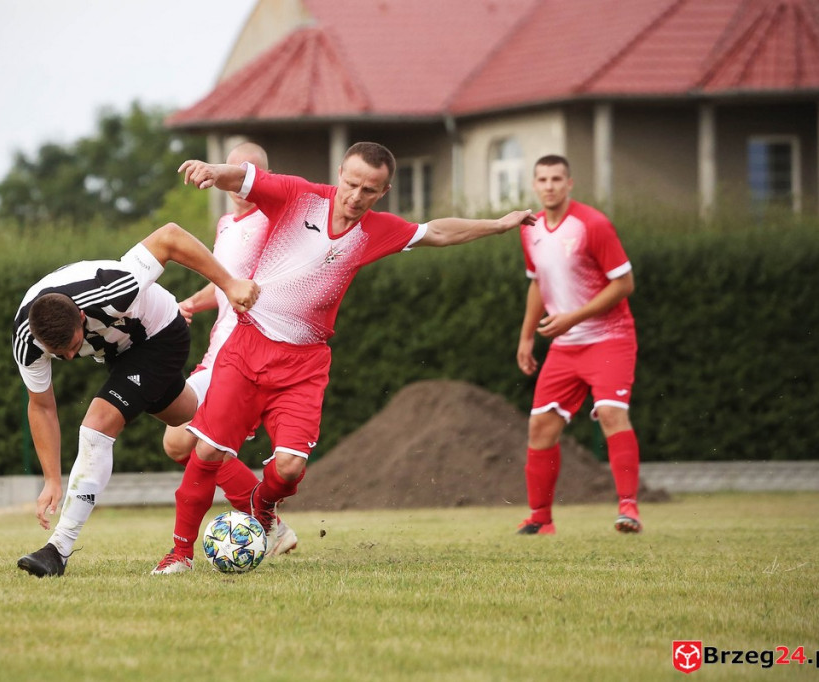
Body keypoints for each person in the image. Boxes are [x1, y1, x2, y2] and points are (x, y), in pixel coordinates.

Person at [151, 141, 536, 574]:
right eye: (351, 184)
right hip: (246, 347)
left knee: (291, 467)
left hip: (304, 364)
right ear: (339, 173)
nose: (356, 196)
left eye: (369, 190)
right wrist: (211, 169)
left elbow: (438, 232)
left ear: (384, 191)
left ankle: (262, 504)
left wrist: (500, 224)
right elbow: (244, 177)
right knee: (206, 451)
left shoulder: (377, 230)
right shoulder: (299, 196)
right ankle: (180, 554)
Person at [13, 222, 259, 577]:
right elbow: (41, 406)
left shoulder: (115, 287)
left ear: (82, 317)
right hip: (122, 352)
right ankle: (241, 406)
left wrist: (230, 285)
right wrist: (52, 478)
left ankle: (59, 548)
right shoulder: (27, 340)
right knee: (188, 422)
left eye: (71, 347)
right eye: (58, 353)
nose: (68, 359)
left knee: (97, 425)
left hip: (162, 333)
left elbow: (170, 236)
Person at [162, 141, 298, 557]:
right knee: (176, 442)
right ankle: (266, 521)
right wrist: (190, 303)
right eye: (234, 170)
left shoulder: (275, 219)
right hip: (216, 349)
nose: (241, 179)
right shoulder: (226, 224)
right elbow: (226, 280)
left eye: (252, 171)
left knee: (191, 440)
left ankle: (260, 520)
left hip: (246, 354)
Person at [514, 154, 642, 535]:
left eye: (557, 179)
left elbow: (624, 284)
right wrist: (525, 337)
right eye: (543, 179)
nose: (550, 185)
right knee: (540, 427)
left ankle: (628, 509)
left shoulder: (593, 225)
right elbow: (538, 282)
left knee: (610, 414)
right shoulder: (530, 228)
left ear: (570, 184)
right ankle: (541, 519)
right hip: (566, 346)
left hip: (610, 338)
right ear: (535, 185)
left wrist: (572, 317)